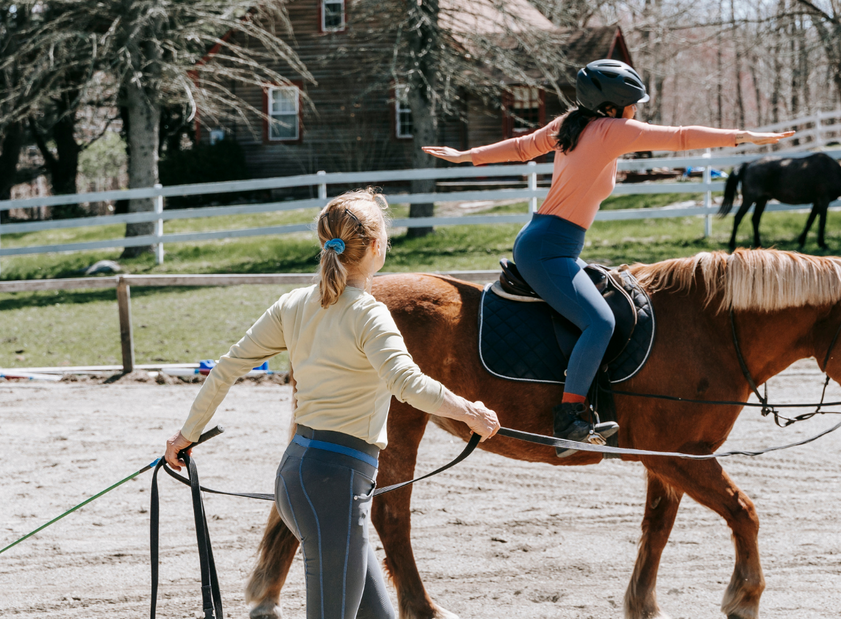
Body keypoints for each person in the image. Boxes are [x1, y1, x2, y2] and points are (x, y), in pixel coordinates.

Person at [423, 59, 793, 457]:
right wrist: (743, 136)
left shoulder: (573, 124)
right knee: (599, 322)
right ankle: (569, 419)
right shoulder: (612, 131)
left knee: (609, 300)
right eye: (633, 103)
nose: (638, 110)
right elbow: (682, 137)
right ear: (614, 107)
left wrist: (468, 156)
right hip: (548, 249)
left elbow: (521, 147)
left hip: (549, 243)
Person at [163, 189, 500, 619]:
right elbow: (407, 383)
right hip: (335, 487)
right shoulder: (368, 313)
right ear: (378, 248)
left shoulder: (293, 305)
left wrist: (185, 435)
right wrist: (470, 411)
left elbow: (227, 367)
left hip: (297, 477)